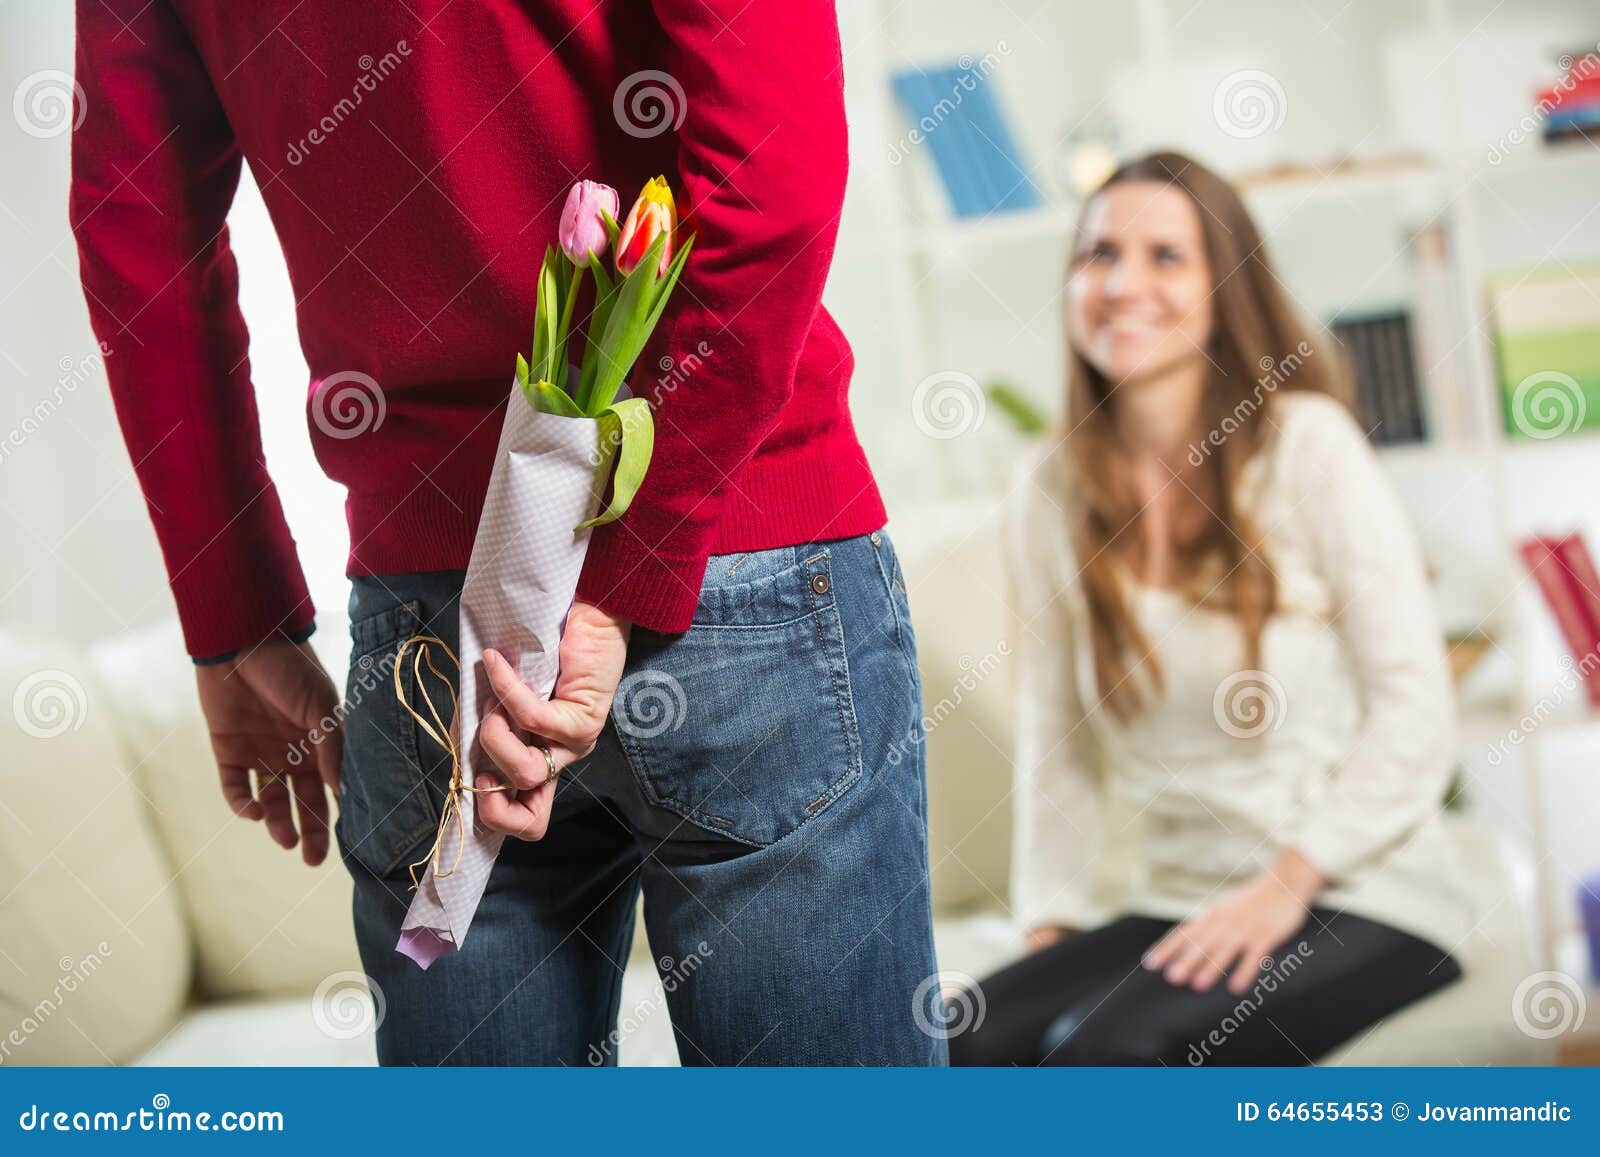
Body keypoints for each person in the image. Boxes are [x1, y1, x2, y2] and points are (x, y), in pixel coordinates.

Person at [71, 1, 942, 1066]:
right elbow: (773, 177)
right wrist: (637, 561)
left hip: (435, 616)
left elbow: (137, 240)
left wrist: (235, 616)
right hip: (735, 557)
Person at [949, 152, 1472, 1066]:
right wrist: (1050, 935)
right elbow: (1056, 735)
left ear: (1225, 288)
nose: (1122, 284)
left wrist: (1286, 881)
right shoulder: (1050, 484)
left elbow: (1417, 710)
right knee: (956, 1043)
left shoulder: (1306, 446)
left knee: (1107, 1053)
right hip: (1181, 898)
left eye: (1166, 257)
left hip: (1364, 890)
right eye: (1098, 253)